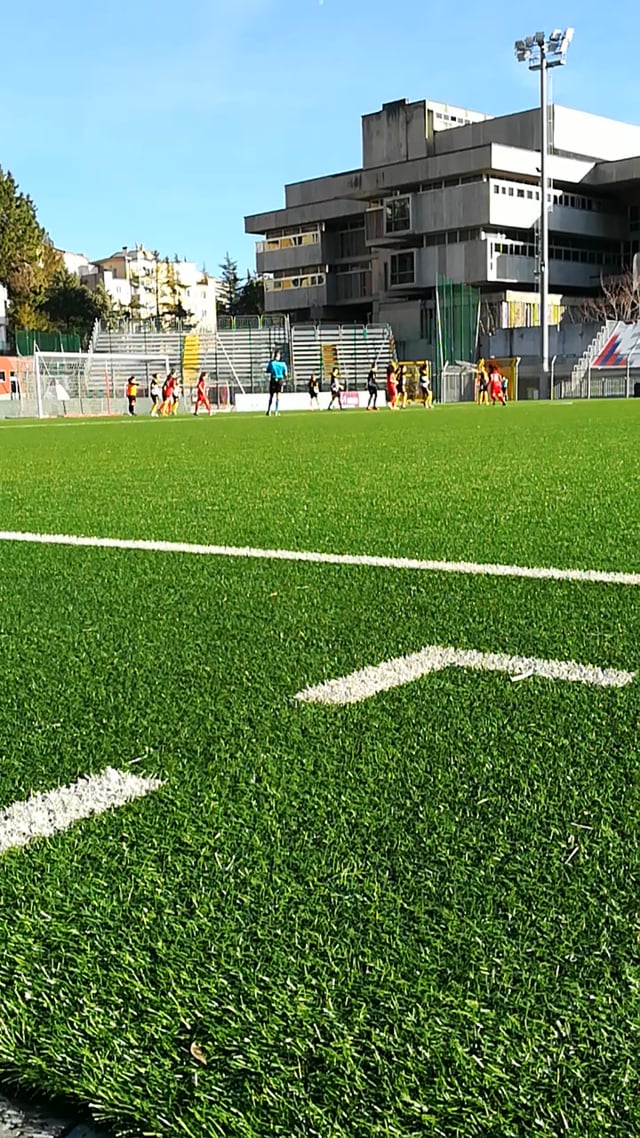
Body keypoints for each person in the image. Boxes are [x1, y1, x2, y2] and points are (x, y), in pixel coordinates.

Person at [266, 350, 287, 416]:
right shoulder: (283, 364)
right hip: (280, 380)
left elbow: (268, 370)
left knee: (271, 396)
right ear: (279, 356)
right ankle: (276, 411)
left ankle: (269, 410)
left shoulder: (271, 363)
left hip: (273, 379)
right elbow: (285, 374)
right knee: (278, 396)